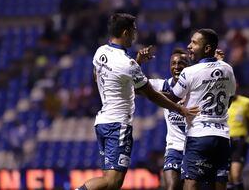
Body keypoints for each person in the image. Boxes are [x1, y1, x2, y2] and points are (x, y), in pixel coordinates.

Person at [76, 13, 199, 190]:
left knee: (107, 181)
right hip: (117, 125)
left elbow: (98, 76)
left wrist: (135, 66)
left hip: (102, 121)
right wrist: (180, 110)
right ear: (125, 32)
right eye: (134, 31)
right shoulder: (128, 64)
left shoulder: (101, 52)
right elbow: (151, 94)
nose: (136, 35)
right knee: (113, 182)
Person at [166, 29, 237, 190]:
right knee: (218, 185)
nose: (189, 46)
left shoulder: (189, 72)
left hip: (198, 136)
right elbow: (229, 99)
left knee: (191, 184)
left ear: (207, 48)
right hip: (222, 137)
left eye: (194, 43)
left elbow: (172, 98)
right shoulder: (228, 69)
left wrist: (149, 92)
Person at [137, 47, 189, 190]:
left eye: (181, 63)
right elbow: (136, 87)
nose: (177, 67)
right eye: (173, 63)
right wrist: (139, 62)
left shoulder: (196, 87)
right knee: (171, 187)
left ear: (188, 66)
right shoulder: (163, 85)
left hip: (194, 147)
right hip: (174, 148)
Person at [215, 49, 249, 190]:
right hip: (224, 140)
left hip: (239, 141)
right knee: (226, 177)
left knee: (235, 174)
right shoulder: (221, 101)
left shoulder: (245, 102)